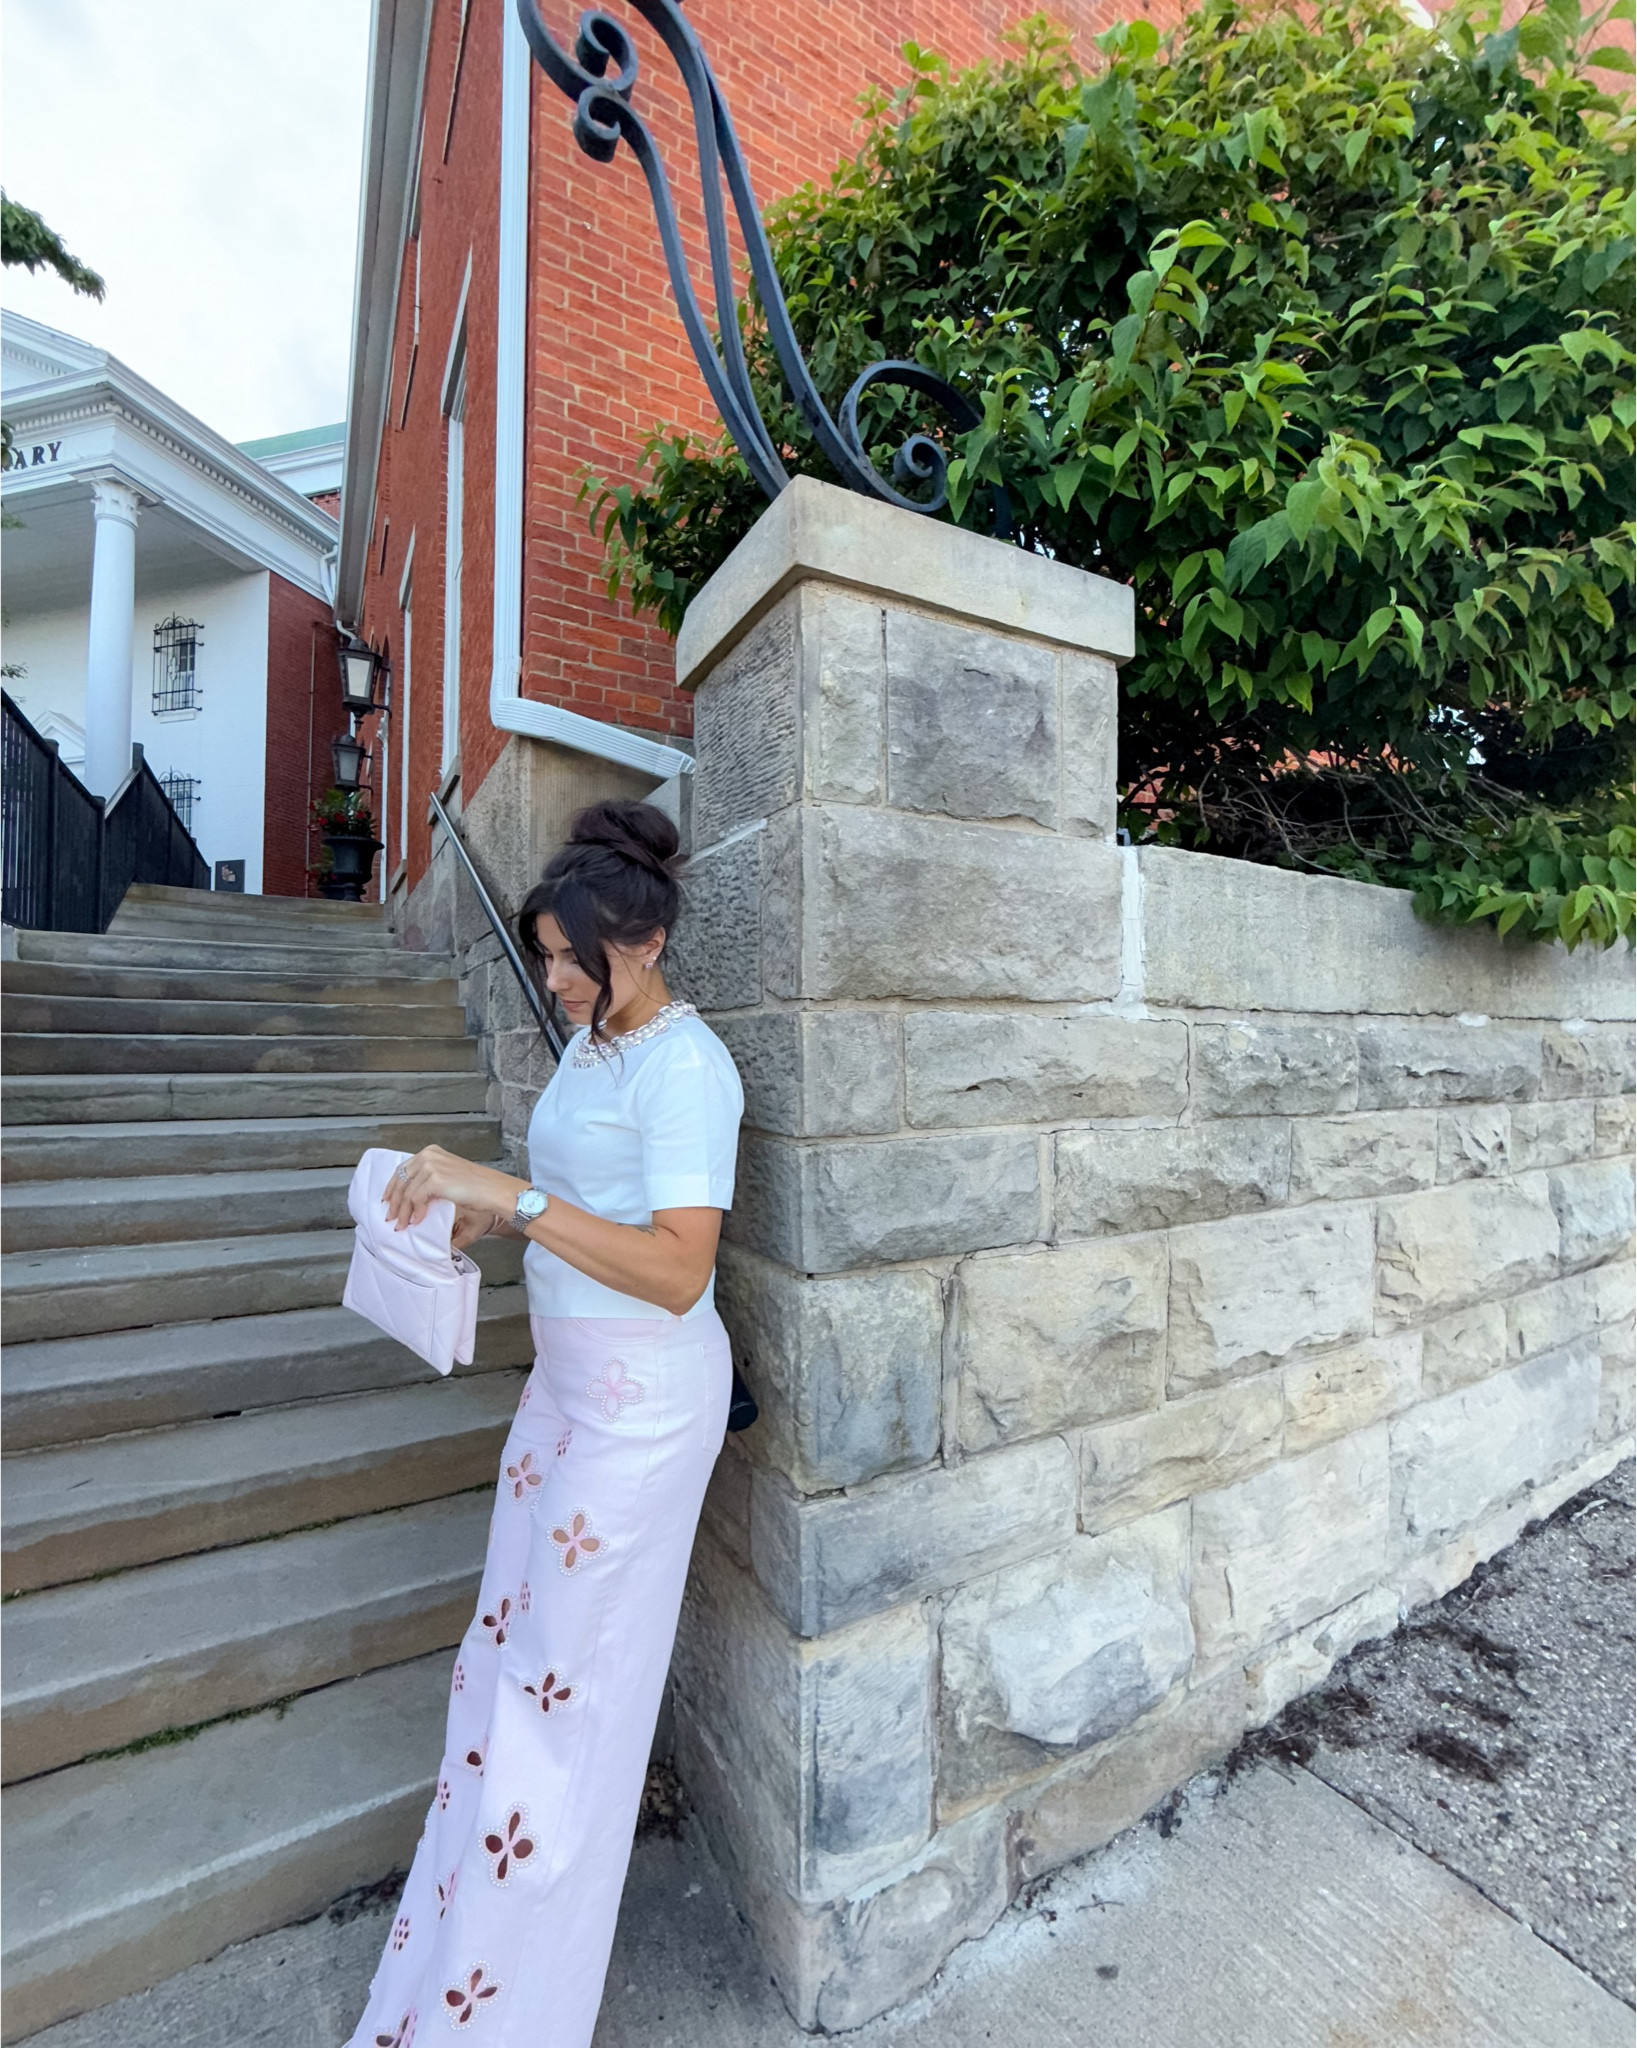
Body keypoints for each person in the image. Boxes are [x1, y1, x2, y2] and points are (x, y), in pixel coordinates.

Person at [346, 799, 743, 2048]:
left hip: (637, 1418)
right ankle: (459, 1960)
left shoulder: (690, 1066)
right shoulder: (594, 1045)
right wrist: (471, 1216)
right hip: (560, 1398)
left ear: (651, 939)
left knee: (563, 1712)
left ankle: (510, 2006)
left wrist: (511, 1197)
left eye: (580, 955)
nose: (558, 977)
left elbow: (678, 1269)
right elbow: (573, 1199)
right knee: (506, 1675)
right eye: (549, 953)